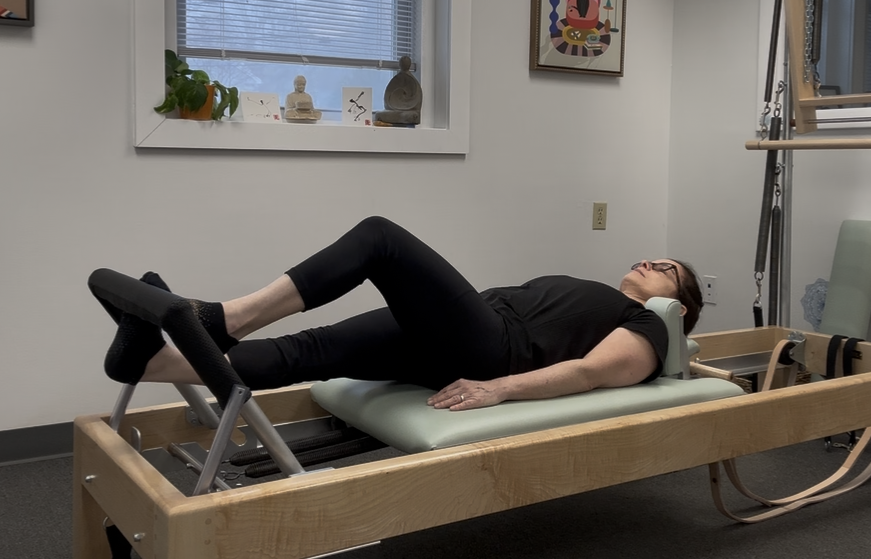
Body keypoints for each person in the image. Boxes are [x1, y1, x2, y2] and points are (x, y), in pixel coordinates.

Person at [104, 216, 704, 412]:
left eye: (665, 267)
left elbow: (594, 373)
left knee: (379, 239)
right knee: (312, 349)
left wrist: (497, 388)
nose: (648, 260)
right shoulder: (600, 295)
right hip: (459, 335)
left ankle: (221, 318)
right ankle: (153, 361)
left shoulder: (648, 325)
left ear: (677, 302)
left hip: (492, 349)